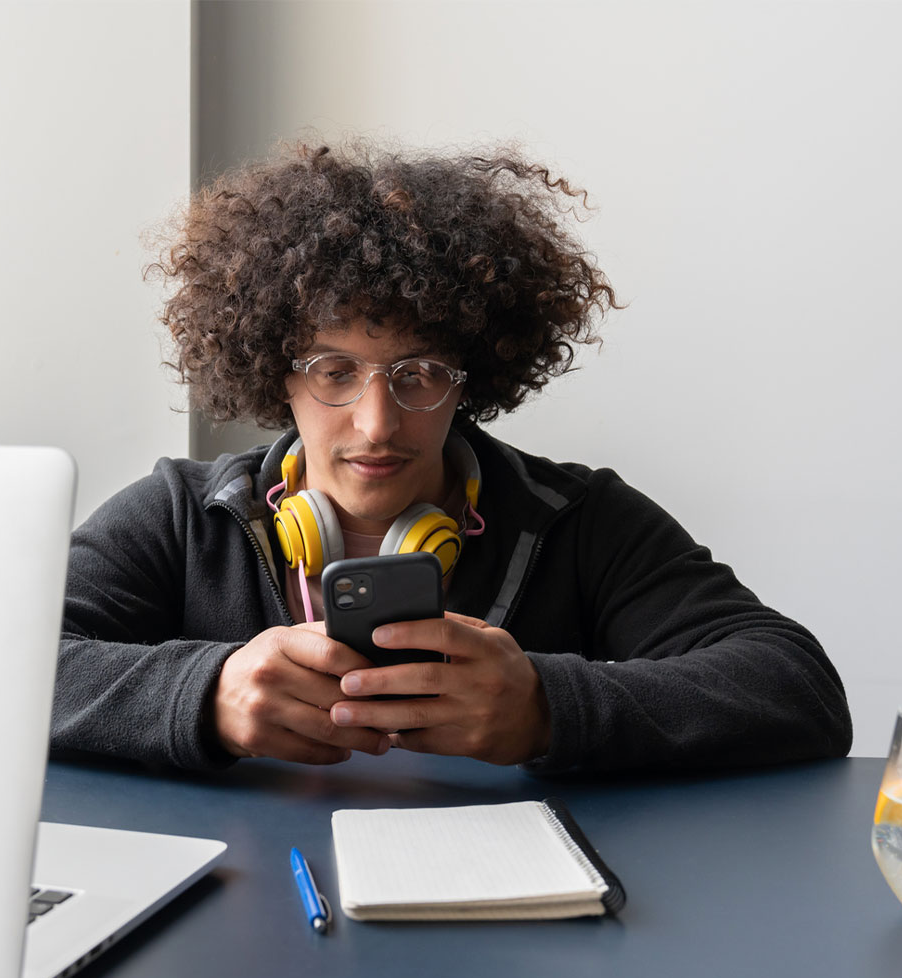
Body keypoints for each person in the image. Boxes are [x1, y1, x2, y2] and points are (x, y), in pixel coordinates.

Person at [51, 142, 851, 774]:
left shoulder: (577, 519)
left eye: (419, 375)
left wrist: (549, 707)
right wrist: (203, 695)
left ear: (469, 377)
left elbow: (795, 686)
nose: (377, 422)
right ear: (275, 375)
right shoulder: (181, 517)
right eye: (334, 372)